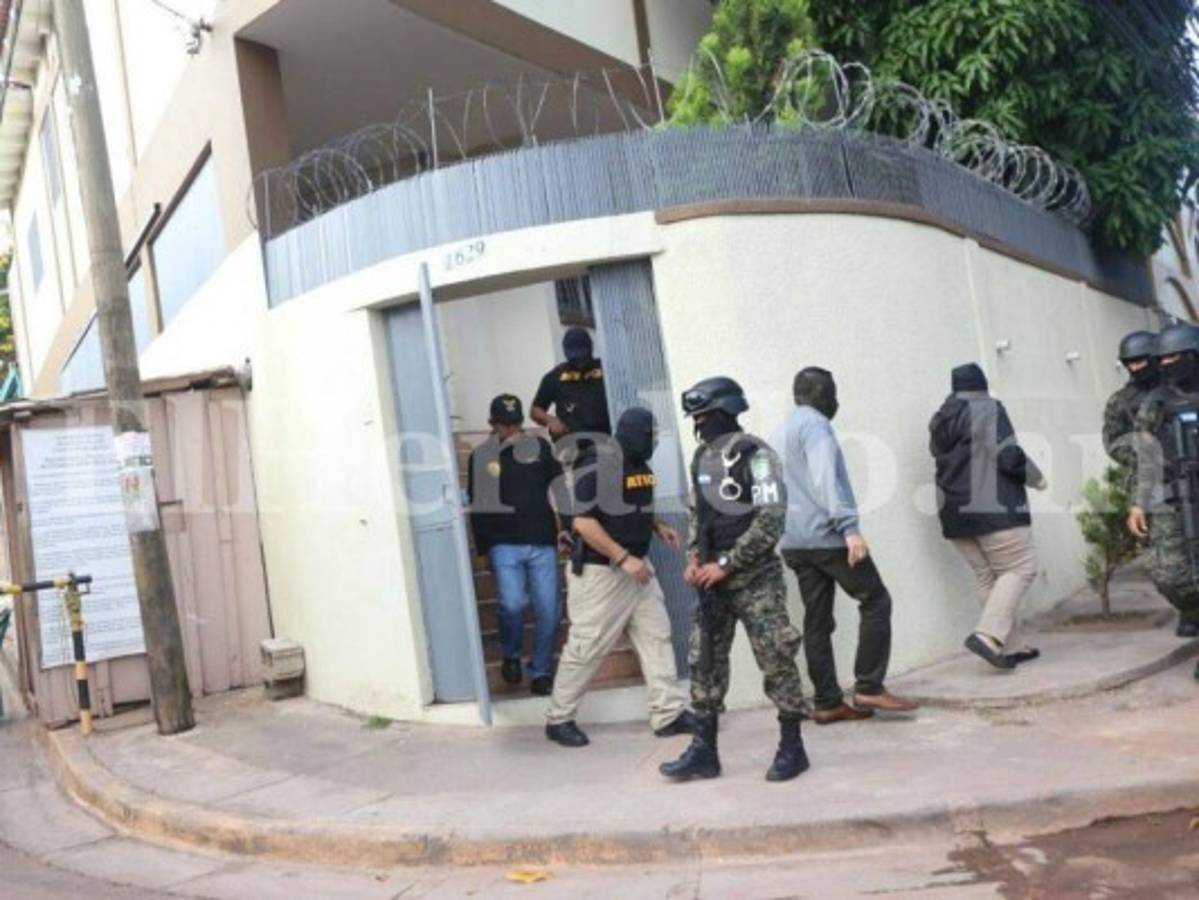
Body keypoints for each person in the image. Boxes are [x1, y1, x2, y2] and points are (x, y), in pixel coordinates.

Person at [660, 377, 810, 783]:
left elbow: (770, 519)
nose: (700, 425)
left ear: (726, 411)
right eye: (696, 418)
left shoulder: (757, 456)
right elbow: (699, 513)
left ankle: (793, 748)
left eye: (705, 416)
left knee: (776, 659)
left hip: (755, 580)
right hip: (711, 584)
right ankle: (704, 752)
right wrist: (694, 556)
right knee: (703, 663)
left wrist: (727, 563)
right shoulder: (702, 458)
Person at [545, 407, 696, 747]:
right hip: (603, 573)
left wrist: (656, 526)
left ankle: (669, 714)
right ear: (633, 434)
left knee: (657, 636)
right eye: (650, 435)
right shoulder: (597, 464)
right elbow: (583, 523)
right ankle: (559, 718)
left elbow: (631, 505)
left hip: (637, 570)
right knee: (587, 647)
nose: (655, 440)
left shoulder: (639, 465)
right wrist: (623, 557)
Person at [775, 367, 917, 722]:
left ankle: (827, 702)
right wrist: (849, 529)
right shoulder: (815, 425)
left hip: (793, 541)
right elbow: (825, 477)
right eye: (833, 391)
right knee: (875, 599)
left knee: (817, 620)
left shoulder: (779, 431)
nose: (836, 399)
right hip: (827, 536)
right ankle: (869, 687)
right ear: (821, 393)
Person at [929, 364, 1047, 670]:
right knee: (1021, 567)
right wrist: (1035, 476)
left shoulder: (940, 418)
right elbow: (1008, 455)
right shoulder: (987, 407)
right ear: (982, 386)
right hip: (993, 508)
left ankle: (1011, 645)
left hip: (954, 512)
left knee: (988, 576)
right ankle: (988, 635)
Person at [467, 394, 570, 695]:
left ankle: (540, 671)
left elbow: (560, 488)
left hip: (541, 540)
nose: (511, 431)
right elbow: (479, 507)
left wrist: (567, 527)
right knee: (511, 604)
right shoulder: (483, 456)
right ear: (492, 425)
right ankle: (511, 654)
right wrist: (483, 549)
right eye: (505, 425)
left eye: (515, 424)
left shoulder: (539, 447)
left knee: (549, 608)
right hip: (503, 543)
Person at [1128, 324, 1199, 639]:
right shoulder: (1157, 400)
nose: (1167, 365)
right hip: (1177, 493)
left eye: (1174, 357)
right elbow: (1146, 455)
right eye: (1162, 359)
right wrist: (1138, 502)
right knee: (1168, 574)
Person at [531, 328, 612, 456]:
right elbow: (536, 410)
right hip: (572, 448)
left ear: (590, 349)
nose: (579, 363)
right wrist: (550, 420)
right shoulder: (556, 376)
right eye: (575, 357)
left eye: (582, 356)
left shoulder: (607, 370)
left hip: (607, 444)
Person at [1102, 330, 1158, 472]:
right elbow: (1114, 443)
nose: (1134, 367)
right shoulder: (1120, 401)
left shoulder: (1181, 390)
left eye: (1139, 361)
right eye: (1129, 363)